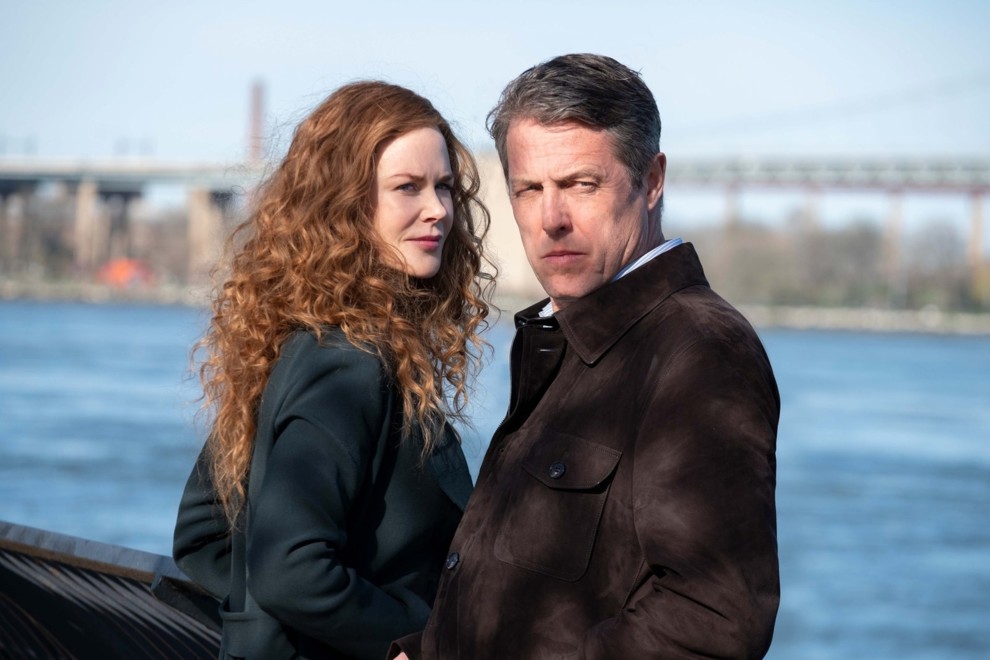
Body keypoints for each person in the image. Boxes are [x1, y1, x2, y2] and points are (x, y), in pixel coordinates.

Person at [391, 54, 780, 659]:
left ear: (651, 180)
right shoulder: (570, 338)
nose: (551, 220)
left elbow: (712, 618)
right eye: (529, 190)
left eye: (580, 185)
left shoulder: (698, 351)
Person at [173, 81, 493, 659]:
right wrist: (408, 640)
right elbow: (289, 569)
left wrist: (261, 627)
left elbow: (204, 535)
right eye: (408, 187)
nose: (439, 210)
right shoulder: (348, 364)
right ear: (344, 204)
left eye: (444, 186)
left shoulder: (298, 339)